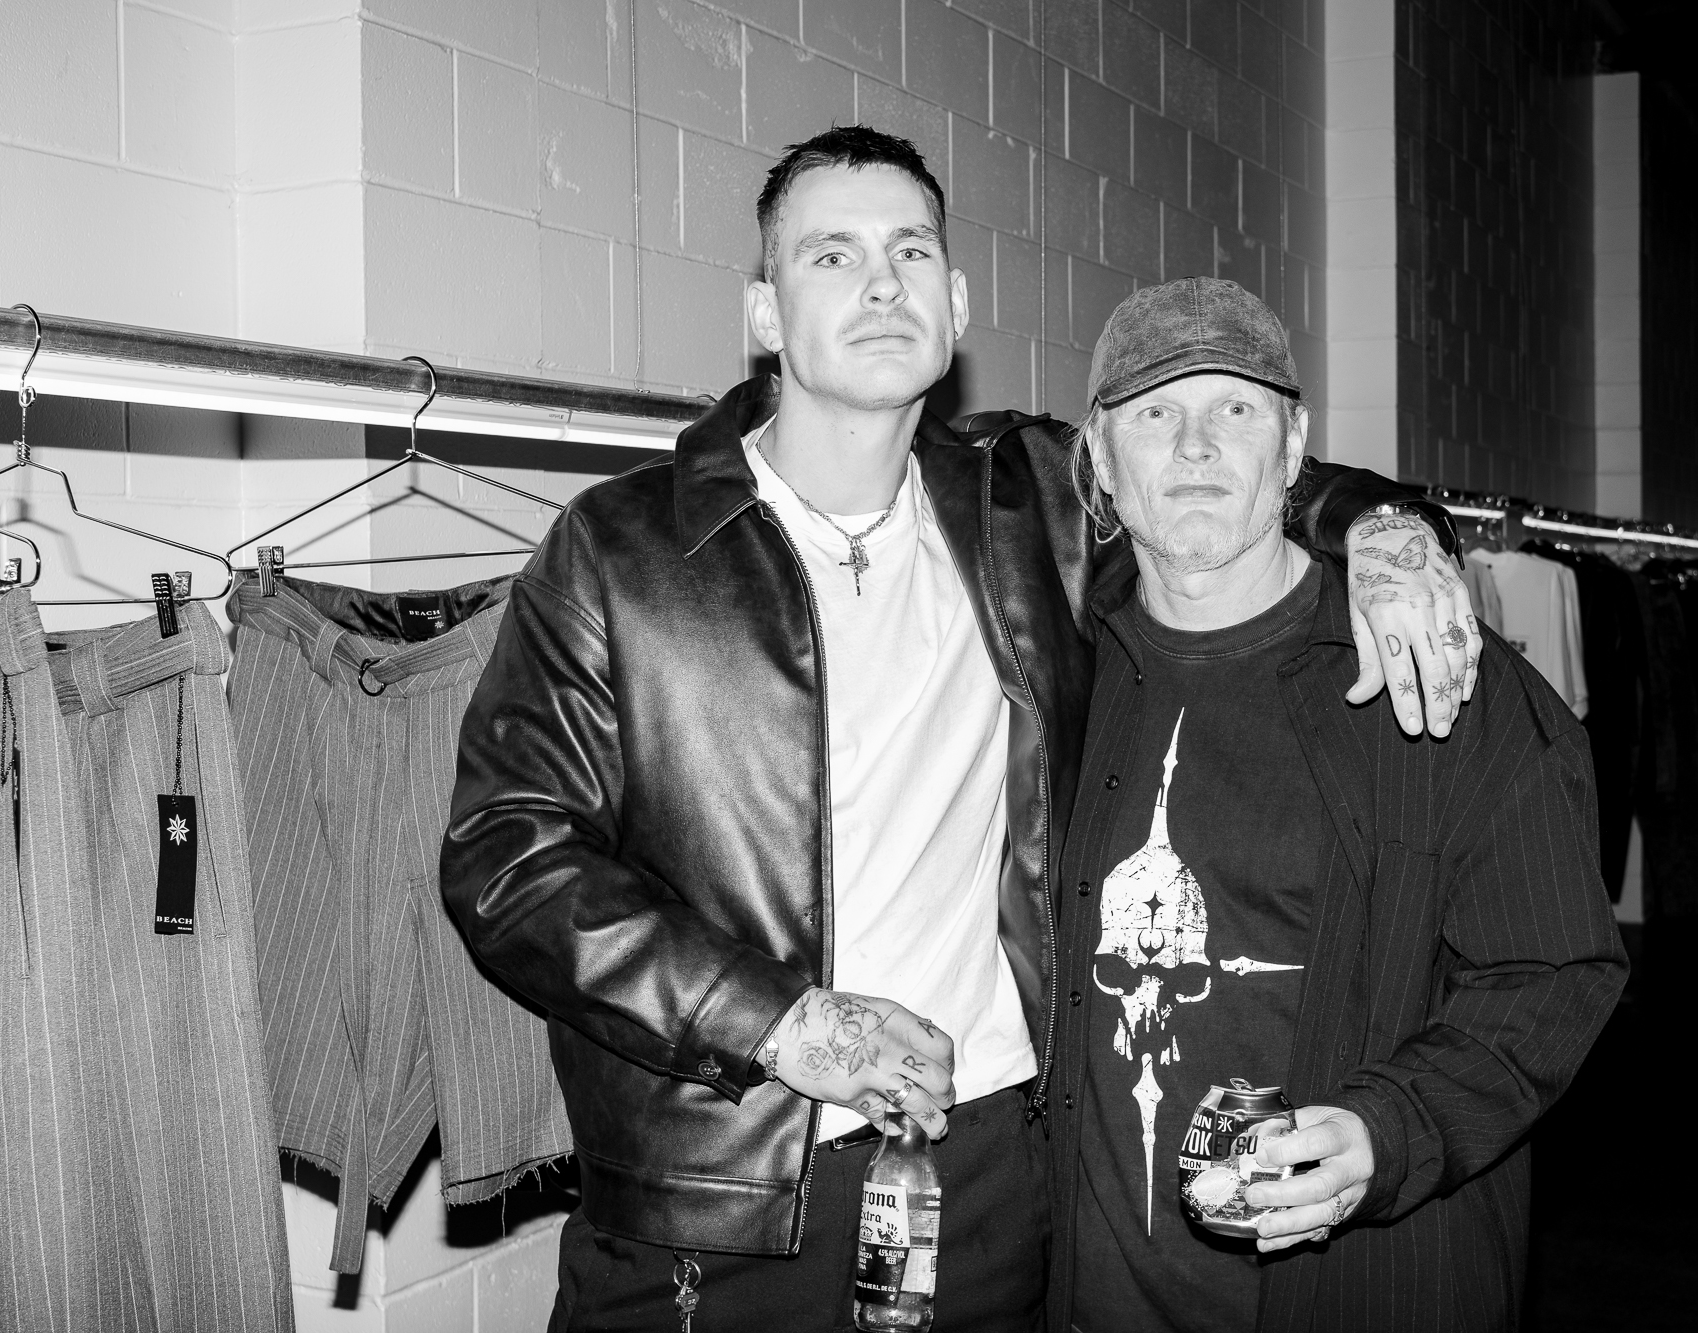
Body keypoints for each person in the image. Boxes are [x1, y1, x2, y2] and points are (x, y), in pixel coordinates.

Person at [439, 127, 1471, 1332]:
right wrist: (780, 1022)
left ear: (956, 302)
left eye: (910, 251)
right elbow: (507, 858)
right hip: (717, 1197)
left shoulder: (1027, 506)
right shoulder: (621, 551)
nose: (881, 284)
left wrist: (1387, 532)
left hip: (985, 1177)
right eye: (832, 256)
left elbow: (1216, 472)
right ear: (765, 315)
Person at [1045, 278, 1628, 1331]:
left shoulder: (1439, 681)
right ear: (1099, 459)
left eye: (1234, 408)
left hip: (1361, 1287)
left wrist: (1390, 1128)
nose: (1193, 446)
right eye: (1154, 413)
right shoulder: (1056, 681)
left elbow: (1551, 971)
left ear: (1294, 446)